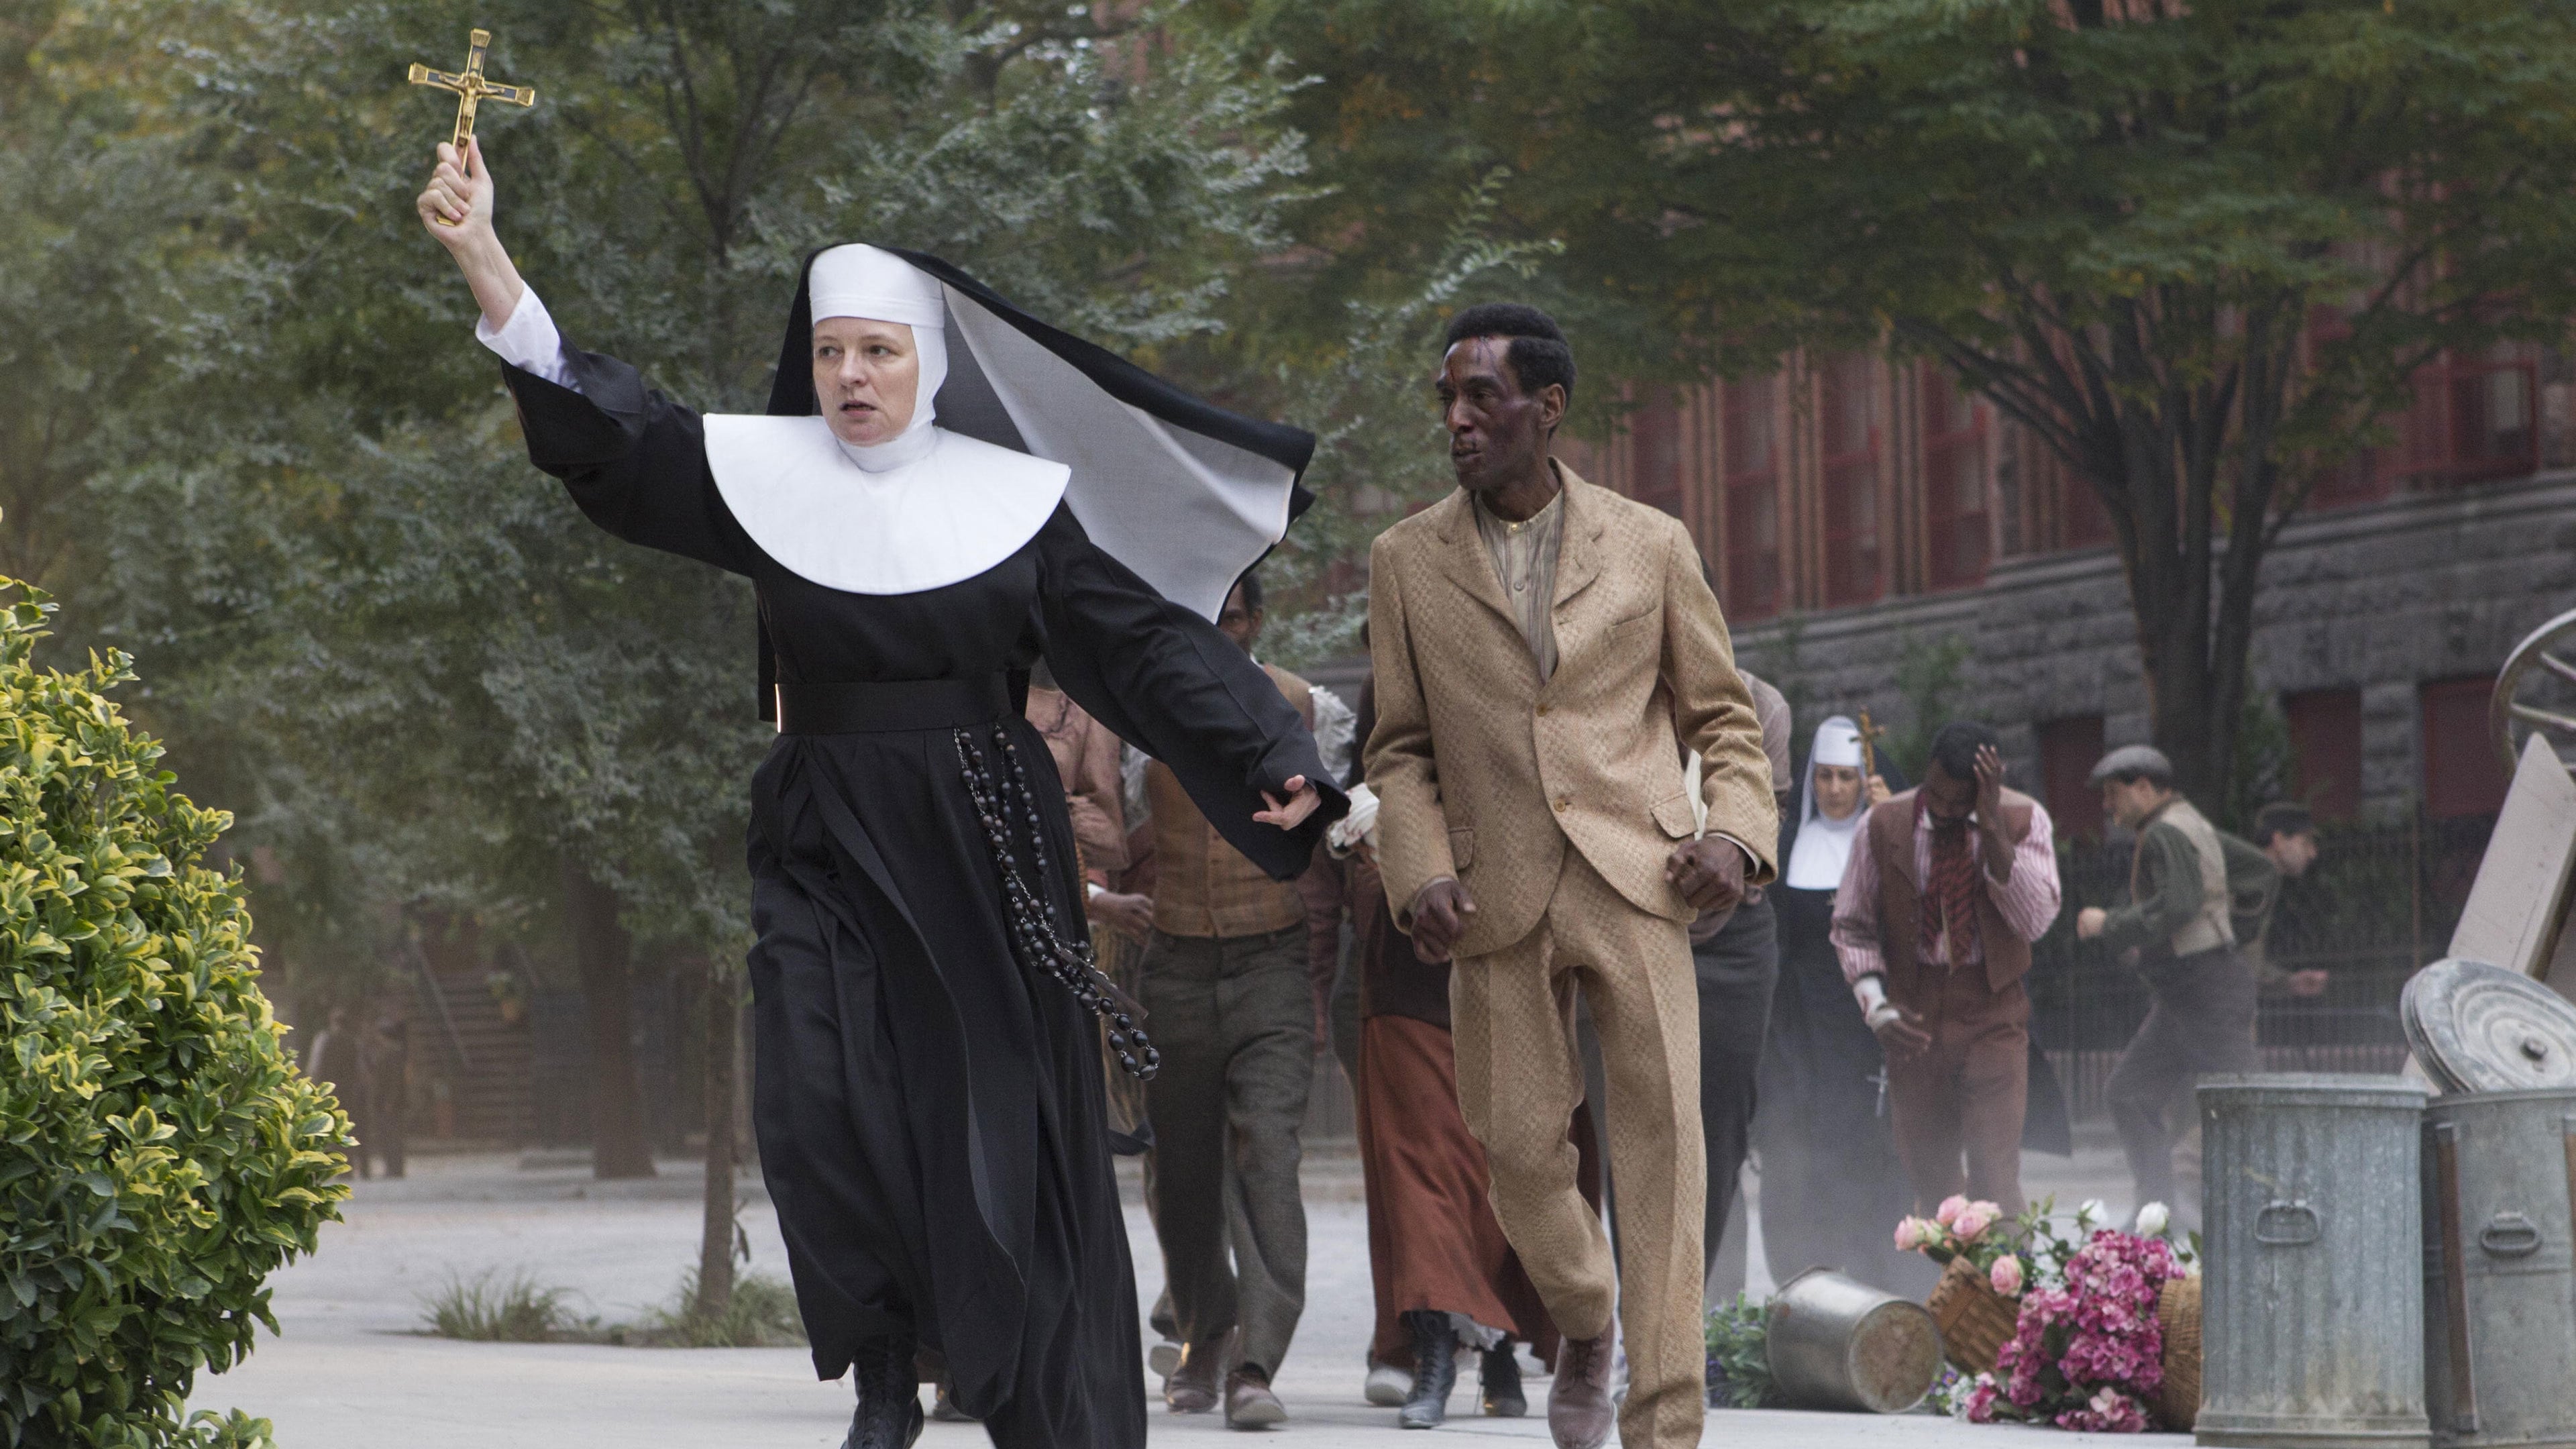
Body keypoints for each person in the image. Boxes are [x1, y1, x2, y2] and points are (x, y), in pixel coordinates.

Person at [417, 138, 1339, 1449]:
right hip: (821, 832)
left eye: (880, 352)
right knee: (815, 1097)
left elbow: (1142, 648)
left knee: (988, 1118)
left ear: (929, 365)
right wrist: (484, 257)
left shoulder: (1015, 506)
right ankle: (885, 1366)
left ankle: (1006, 1373)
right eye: (833, 351)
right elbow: (613, 435)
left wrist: (1273, 758)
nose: (852, 375)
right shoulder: (760, 479)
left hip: (985, 839)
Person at [1365, 302, 1776, 1449]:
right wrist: (1418, 868)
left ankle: (1665, 1418)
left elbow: (1725, 720)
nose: (1457, 419)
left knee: (1665, 1150)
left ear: (1547, 409)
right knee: (1514, 1153)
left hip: (1641, 874)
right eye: (1447, 400)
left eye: (1481, 397)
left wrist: (1736, 838)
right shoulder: (1404, 561)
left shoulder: (1653, 544)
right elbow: (1397, 750)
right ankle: (1587, 1315)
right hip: (1492, 893)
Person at [1331, 701, 1576, 1430]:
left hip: (1510, 975)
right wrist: (1366, 830)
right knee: (1420, 1179)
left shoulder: (1528, 687)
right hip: (1405, 986)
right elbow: (1367, 788)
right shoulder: (1392, 678)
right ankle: (1434, 1351)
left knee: (1502, 1175)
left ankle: (1497, 1349)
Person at [1137, 568, 1334, 1428]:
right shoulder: (1140, 710)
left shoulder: (1304, 706)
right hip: (1175, 962)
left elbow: (1346, 823)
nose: (1220, 632)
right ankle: (1204, 1332)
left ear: (1254, 623)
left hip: (1271, 962)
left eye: (1233, 617)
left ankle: (1255, 1362)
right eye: (1205, 617)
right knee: (1179, 1170)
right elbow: (1105, 813)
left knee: (1268, 1153)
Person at [1832, 722, 2061, 1219]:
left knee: (1994, 1174)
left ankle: (2005, 1270)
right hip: (1913, 1013)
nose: (1943, 810)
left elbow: (2035, 922)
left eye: (1959, 803)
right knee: (1932, 1178)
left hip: (1993, 1012)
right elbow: (1851, 926)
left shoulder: (2023, 820)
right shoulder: (1882, 825)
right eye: (1934, 795)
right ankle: (1943, 1269)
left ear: (1987, 788)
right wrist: (1877, 1008)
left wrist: (1992, 829)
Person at [1755, 717, 1924, 1293]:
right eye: (1823, 776)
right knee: (1810, 1145)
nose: (1833, 789)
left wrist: (1894, 823)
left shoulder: (1884, 840)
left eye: (1845, 777)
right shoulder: (1789, 849)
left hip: (1867, 1017)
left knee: (1875, 1146)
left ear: (1862, 780)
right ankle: (1813, 1275)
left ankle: (1885, 1273)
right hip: (1805, 1023)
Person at [2077, 746, 2273, 1218]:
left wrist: (2110, 925)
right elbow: (2259, 871)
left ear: (2145, 787)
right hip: (2192, 993)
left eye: (2113, 793)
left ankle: (2273, 1211)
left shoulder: (2163, 832)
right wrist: (2231, 933)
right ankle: (2157, 1214)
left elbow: (2180, 905)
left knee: (2248, 1108)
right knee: (2130, 1093)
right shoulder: (2191, 823)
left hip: (2205, 990)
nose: (2107, 805)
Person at [1685, 669, 1790, 1295]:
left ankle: (1709, 1305)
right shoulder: (1617, 688)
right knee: (1633, 1130)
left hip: (1733, 934)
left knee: (1720, 1128)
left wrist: (1722, 850)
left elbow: (1765, 813)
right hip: (1635, 918)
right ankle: (1631, 1314)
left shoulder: (1760, 702)